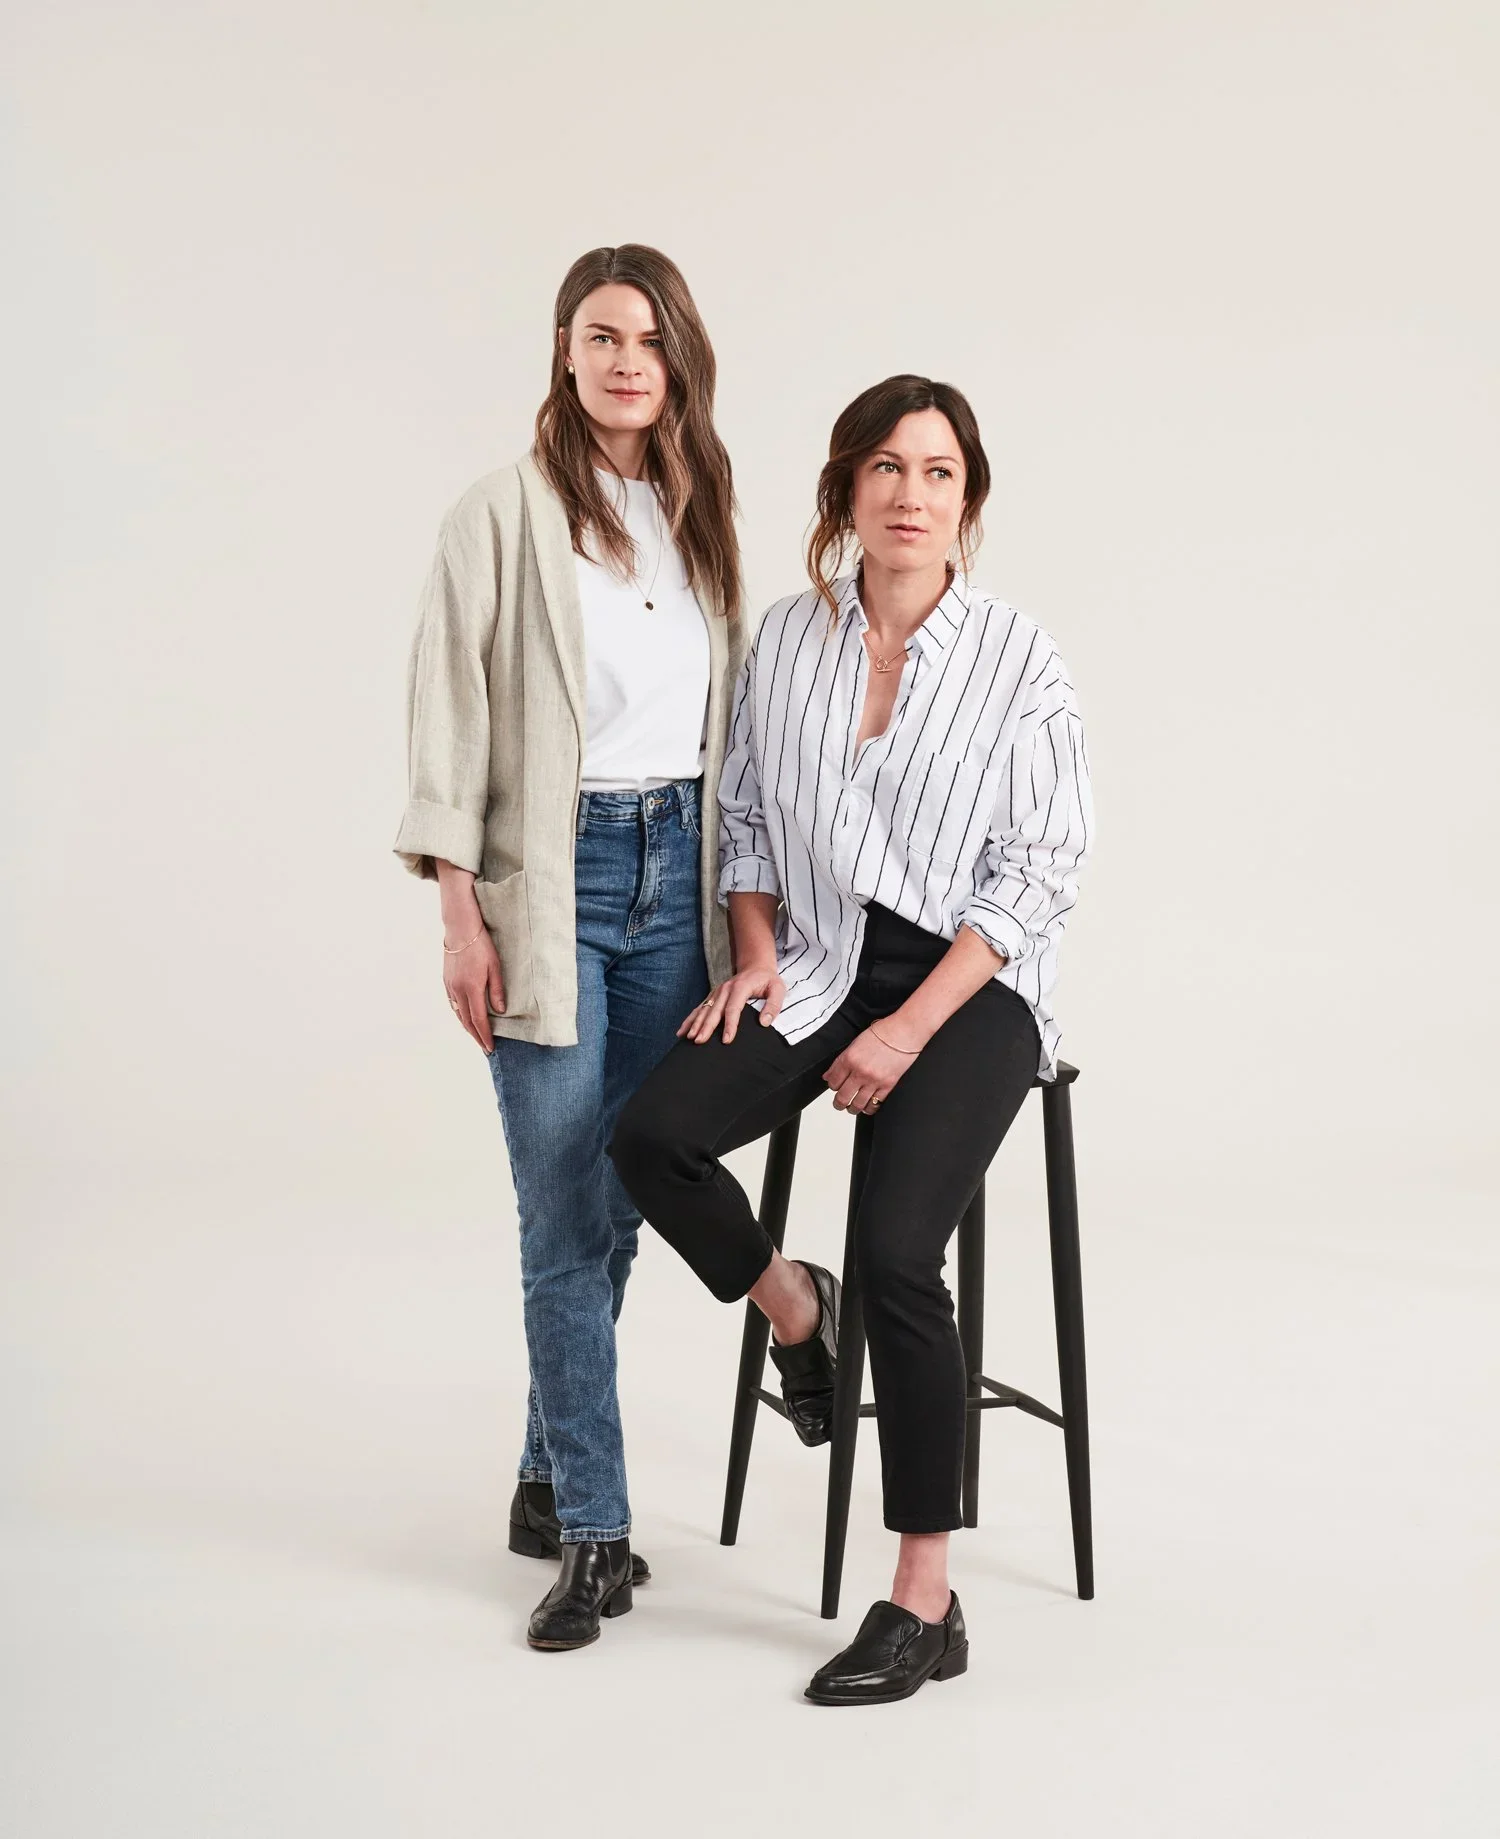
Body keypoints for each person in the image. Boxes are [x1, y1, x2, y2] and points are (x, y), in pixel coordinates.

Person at [610, 374, 1092, 1704]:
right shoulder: (789, 636)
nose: (909, 495)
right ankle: (792, 1308)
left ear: (968, 503)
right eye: (885, 467)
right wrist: (758, 956)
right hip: (818, 954)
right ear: (845, 490)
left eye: (937, 473)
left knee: (897, 1250)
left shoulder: (1019, 658)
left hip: (970, 985)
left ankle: (923, 1598)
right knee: (648, 1136)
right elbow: (750, 815)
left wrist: (908, 1028)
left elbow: (1037, 872)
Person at [394, 245, 742, 1652]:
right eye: (598, 336)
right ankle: (594, 1531)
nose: (621, 362)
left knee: (630, 1192)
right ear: (562, 349)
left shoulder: (696, 514)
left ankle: (546, 1471)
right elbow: (447, 709)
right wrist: (458, 908)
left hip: (681, 879)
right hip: (556, 879)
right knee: (557, 1214)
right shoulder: (501, 512)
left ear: (676, 361)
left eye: (645, 341)